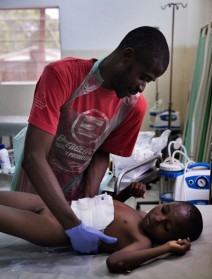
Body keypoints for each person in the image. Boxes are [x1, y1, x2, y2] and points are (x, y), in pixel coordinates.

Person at [14, 26, 170, 254]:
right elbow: (34, 156)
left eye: (149, 82)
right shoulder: (63, 75)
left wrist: (89, 200)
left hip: (77, 203)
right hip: (34, 186)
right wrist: (74, 226)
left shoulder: (133, 106)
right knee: (21, 248)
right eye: (143, 77)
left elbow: (102, 150)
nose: (141, 87)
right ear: (127, 56)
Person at [0, 182, 203, 274]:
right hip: (58, 205)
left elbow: (115, 262)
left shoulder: (143, 241)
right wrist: (126, 193)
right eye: (165, 210)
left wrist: (166, 248)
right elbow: (107, 210)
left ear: (171, 237)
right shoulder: (141, 216)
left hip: (56, 228)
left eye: (166, 227)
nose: (158, 218)